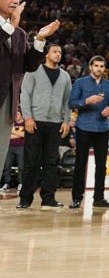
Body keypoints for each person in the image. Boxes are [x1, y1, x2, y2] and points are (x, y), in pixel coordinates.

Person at [0, 0, 60, 178]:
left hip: (7, 102)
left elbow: (29, 65)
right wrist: (9, 27)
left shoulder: (19, 34)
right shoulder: (12, 29)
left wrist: (40, 39)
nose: (16, 1)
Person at [18, 44, 71, 209]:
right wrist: (27, 117)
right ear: (46, 54)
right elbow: (25, 94)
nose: (58, 54)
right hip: (35, 121)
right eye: (55, 51)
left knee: (51, 162)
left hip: (55, 123)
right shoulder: (33, 71)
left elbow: (67, 101)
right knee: (31, 162)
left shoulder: (65, 76)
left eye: (60, 52)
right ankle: (25, 199)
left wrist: (66, 120)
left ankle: (49, 198)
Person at [68, 56, 109, 209]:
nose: (99, 69)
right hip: (83, 127)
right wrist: (86, 101)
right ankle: (77, 198)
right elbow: (71, 103)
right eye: (96, 66)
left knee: (101, 165)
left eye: (102, 66)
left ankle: (99, 198)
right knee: (80, 164)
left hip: (102, 129)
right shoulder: (80, 82)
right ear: (90, 67)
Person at [1, 111, 24, 191]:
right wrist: (18, 133)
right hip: (10, 147)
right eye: (15, 114)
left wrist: (12, 131)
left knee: (21, 166)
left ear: (21, 115)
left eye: (17, 114)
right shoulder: (11, 123)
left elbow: (24, 135)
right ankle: (7, 183)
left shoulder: (24, 123)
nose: (16, 116)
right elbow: (7, 136)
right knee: (7, 166)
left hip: (21, 147)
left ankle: (21, 183)